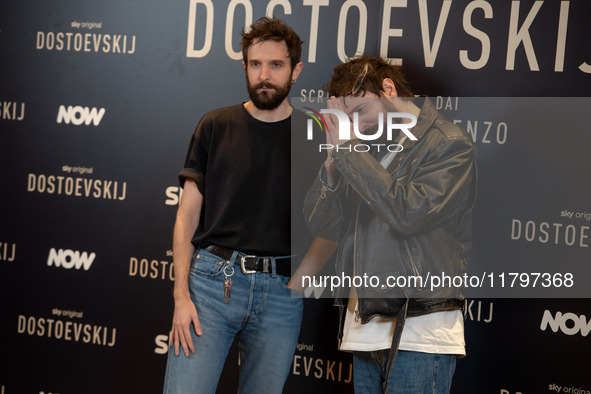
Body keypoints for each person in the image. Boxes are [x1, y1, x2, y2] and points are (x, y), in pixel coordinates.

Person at [303, 55, 477, 393]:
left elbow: (408, 213)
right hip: (363, 329)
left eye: (358, 112)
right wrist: (332, 166)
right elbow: (322, 224)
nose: (356, 125)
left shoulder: (448, 143)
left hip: (420, 332)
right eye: (344, 117)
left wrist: (349, 151)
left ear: (387, 89)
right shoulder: (359, 148)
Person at [163, 17, 311, 394]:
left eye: (276, 65)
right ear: (244, 66)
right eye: (255, 64)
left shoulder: (317, 135)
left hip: (282, 291)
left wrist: (303, 279)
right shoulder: (215, 125)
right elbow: (186, 217)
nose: (264, 75)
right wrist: (181, 297)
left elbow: (334, 221)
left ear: (296, 70)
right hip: (210, 285)